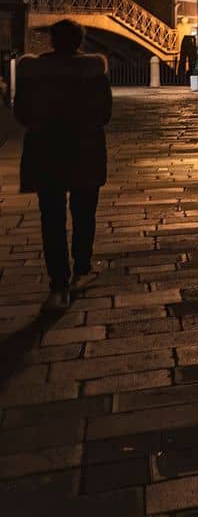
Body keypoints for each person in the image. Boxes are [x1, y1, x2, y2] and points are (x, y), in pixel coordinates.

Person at [13, 19, 112, 307]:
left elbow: (21, 112)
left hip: (46, 151)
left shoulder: (33, 71)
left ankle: (58, 285)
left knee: (51, 219)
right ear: (79, 41)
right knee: (84, 214)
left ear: (52, 41)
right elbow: (105, 113)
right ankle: (82, 269)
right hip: (85, 150)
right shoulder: (94, 71)